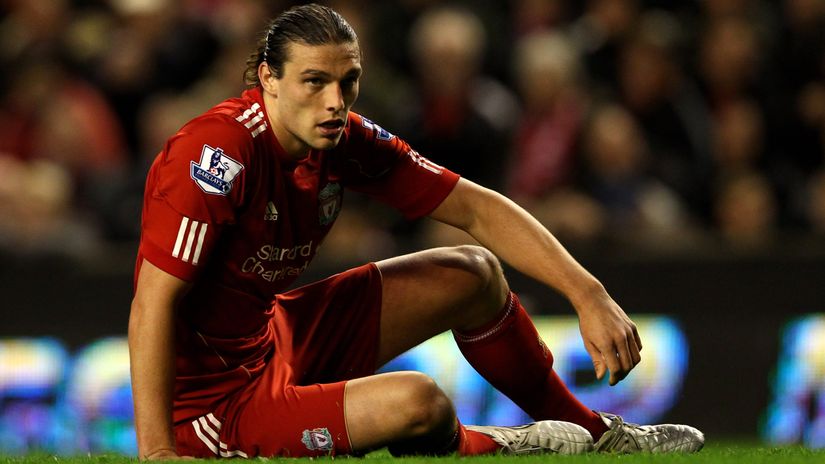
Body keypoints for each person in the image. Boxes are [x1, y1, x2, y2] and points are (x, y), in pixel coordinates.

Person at [129, 4, 704, 460]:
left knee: (471, 272)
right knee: (418, 401)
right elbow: (152, 305)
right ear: (268, 80)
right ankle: (498, 443)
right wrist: (158, 452)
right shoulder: (217, 156)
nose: (334, 102)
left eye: (347, 81)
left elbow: (478, 210)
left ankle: (594, 434)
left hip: (272, 339)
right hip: (210, 405)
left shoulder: (340, 136)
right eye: (313, 82)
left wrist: (588, 293)